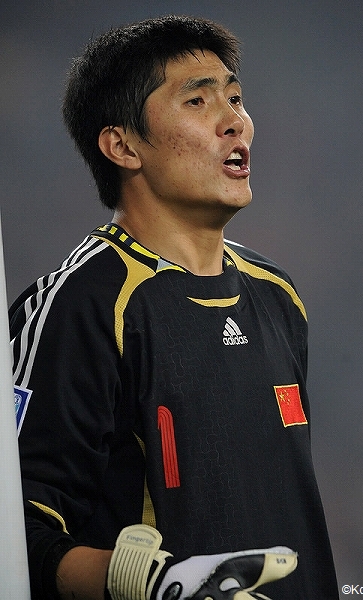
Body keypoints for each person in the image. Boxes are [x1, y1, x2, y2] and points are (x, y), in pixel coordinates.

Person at [10, 15, 339, 600]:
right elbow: (15, 535)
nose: (236, 121)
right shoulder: (80, 306)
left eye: (235, 98)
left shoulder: (277, 293)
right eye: (198, 101)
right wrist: (149, 583)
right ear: (122, 146)